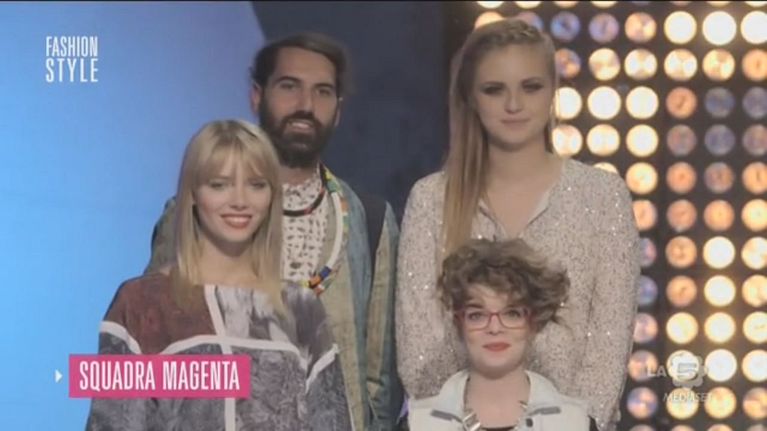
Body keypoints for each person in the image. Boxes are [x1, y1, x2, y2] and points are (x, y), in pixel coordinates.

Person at [145, 33, 402, 431]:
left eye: (322, 92)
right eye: (289, 86)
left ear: (338, 110)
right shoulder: (193, 213)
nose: (305, 105)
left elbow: (379, 384)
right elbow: (153, 353)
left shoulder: (369, 220)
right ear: (256, 95)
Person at [396, 18, 640, 431]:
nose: (514, 105)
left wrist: (571, 425)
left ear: (552, 91)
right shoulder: (432, 199)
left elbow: (608, 348)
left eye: (531, 87)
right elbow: (420, 347)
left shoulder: (602, 197)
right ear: (470, 98)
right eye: (494, 89)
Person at [87, 120, 351, 430]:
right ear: (192, 193)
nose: (239, 201)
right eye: (219, 184)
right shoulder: (141, 304)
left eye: (256, 184)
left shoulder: (300, 308)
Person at [409, 239, 597, 431]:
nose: (494, 328)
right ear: (459, 323)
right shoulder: (419, 425)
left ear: (534, 322)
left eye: (512, 313)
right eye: (477, 315)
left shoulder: (575, 424)